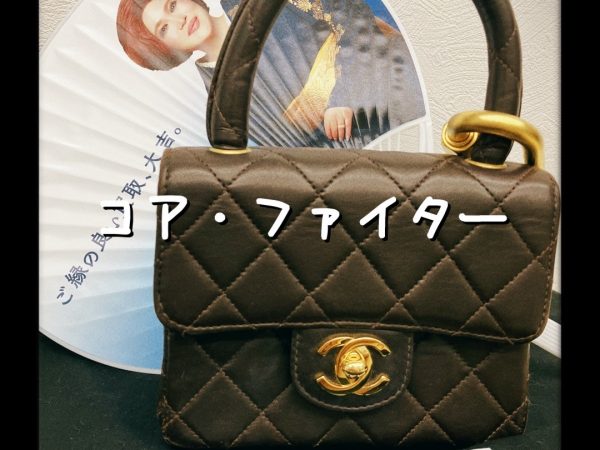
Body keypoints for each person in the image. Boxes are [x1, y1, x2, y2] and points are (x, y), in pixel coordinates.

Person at [117, 0, 426, 148]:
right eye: (164, 28)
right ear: (164, 50)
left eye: (173, 5)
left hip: (396, 77)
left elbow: (348, 11)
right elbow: (293, 151)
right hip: (367, 151)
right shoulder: (222, 106)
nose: (180, 20)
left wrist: (344, 96)